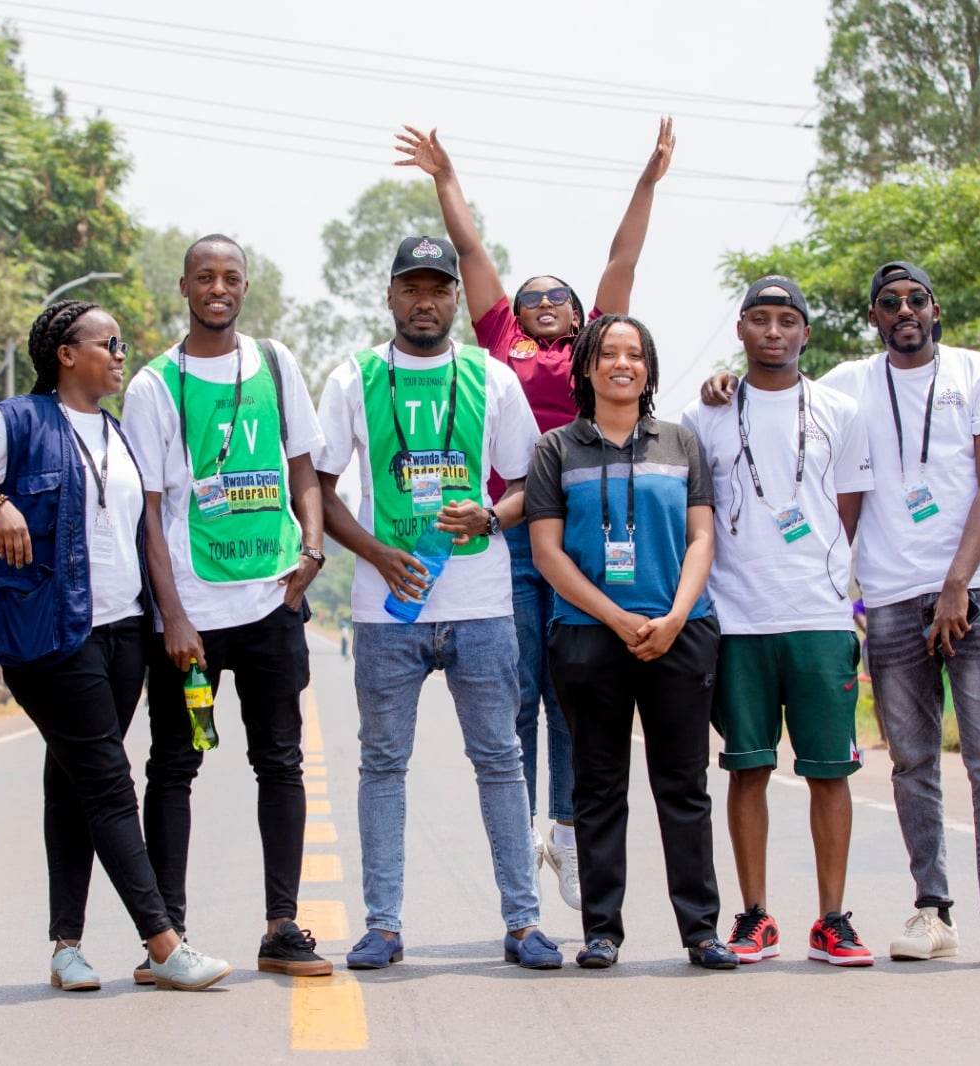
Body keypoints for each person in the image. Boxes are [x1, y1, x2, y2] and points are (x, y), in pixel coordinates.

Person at [698, 260, 980, 969]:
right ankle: (931, 910)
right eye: (889, 302)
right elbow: (783, 427)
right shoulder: (847, 386)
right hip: (883, 594)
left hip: (973, 590)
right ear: (874, 318)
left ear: (935, 310)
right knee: (911, 760)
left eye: (916, 299)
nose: (904, 309)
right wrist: (720, 383)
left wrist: (956, 584)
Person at [0, 298, 231, 992]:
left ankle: (66, 946)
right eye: (108, 342)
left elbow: (144, 531)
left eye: (122, 344)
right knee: (110, 784)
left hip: (121, 635)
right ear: (66, 353)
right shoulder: (15, 422)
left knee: (74, 780)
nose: (121, 353)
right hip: (51, 637)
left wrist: (171, 617)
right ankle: (165, 946)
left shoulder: (118, 435)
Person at [395, 121, 675, 907]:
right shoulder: (499, 345)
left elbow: (622, 259)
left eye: (560, 298)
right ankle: (517, 835)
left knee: (574, 693)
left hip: (585, 536)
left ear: (582, 315)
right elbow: (473, 255)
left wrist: (646, 182)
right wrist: (445, 177)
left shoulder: (595, 347)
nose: (546, 304)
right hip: (513, 530)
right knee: (517, 691)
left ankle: (567, 829)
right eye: (532, 299)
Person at [315, 235, 559, 971]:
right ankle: (382, 925)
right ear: (389, 296)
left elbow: (525, 484)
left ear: (456, 298)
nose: (426, 301)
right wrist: (375, 554)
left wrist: (492, 517)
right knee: (383, 764)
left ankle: (523, 923)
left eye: (439, 289)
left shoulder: (491, 377)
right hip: (385, 608)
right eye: (412, 288)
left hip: (482, 603)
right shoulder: (353, 378)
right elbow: (320, 490)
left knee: (500, 761)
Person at [122, 234, 332, 981]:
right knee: (176, 765)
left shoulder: (275, 364)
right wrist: (171, 615)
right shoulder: (152, 385)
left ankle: (281, 927)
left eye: (231, 276)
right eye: (205, 276)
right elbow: (146, 510)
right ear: (183, 286)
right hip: (192, 619)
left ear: (246, 286)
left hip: (273, 602)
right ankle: (167, 939)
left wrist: (311, 548)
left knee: (279, 762)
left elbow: (302, 464)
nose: (219, 287)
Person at [527, 314, 734, 971]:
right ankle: (602, 931)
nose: (623, 364)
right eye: (608, 354)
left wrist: (675, 616)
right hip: (589, 636)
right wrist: (617, 619)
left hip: (681, 631)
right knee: (598, 787)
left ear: (648, 368)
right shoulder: (556, 450)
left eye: (635, 354)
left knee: (684, 786)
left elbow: (702, 537)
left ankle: (702, 930)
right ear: (585, 368)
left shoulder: (681, 442)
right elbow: (547, 554)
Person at [680, 277, 875, 966]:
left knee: (830, 772)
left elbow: (848, 509)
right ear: (740, 329)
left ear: (804, 333)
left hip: (819, 617)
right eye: (759, 319)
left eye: (786, 320)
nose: (772, 332)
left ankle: (832, 920)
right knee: (747, 769)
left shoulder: (840, 411)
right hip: (736, 619)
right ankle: (756, 916)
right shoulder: (705, 416)